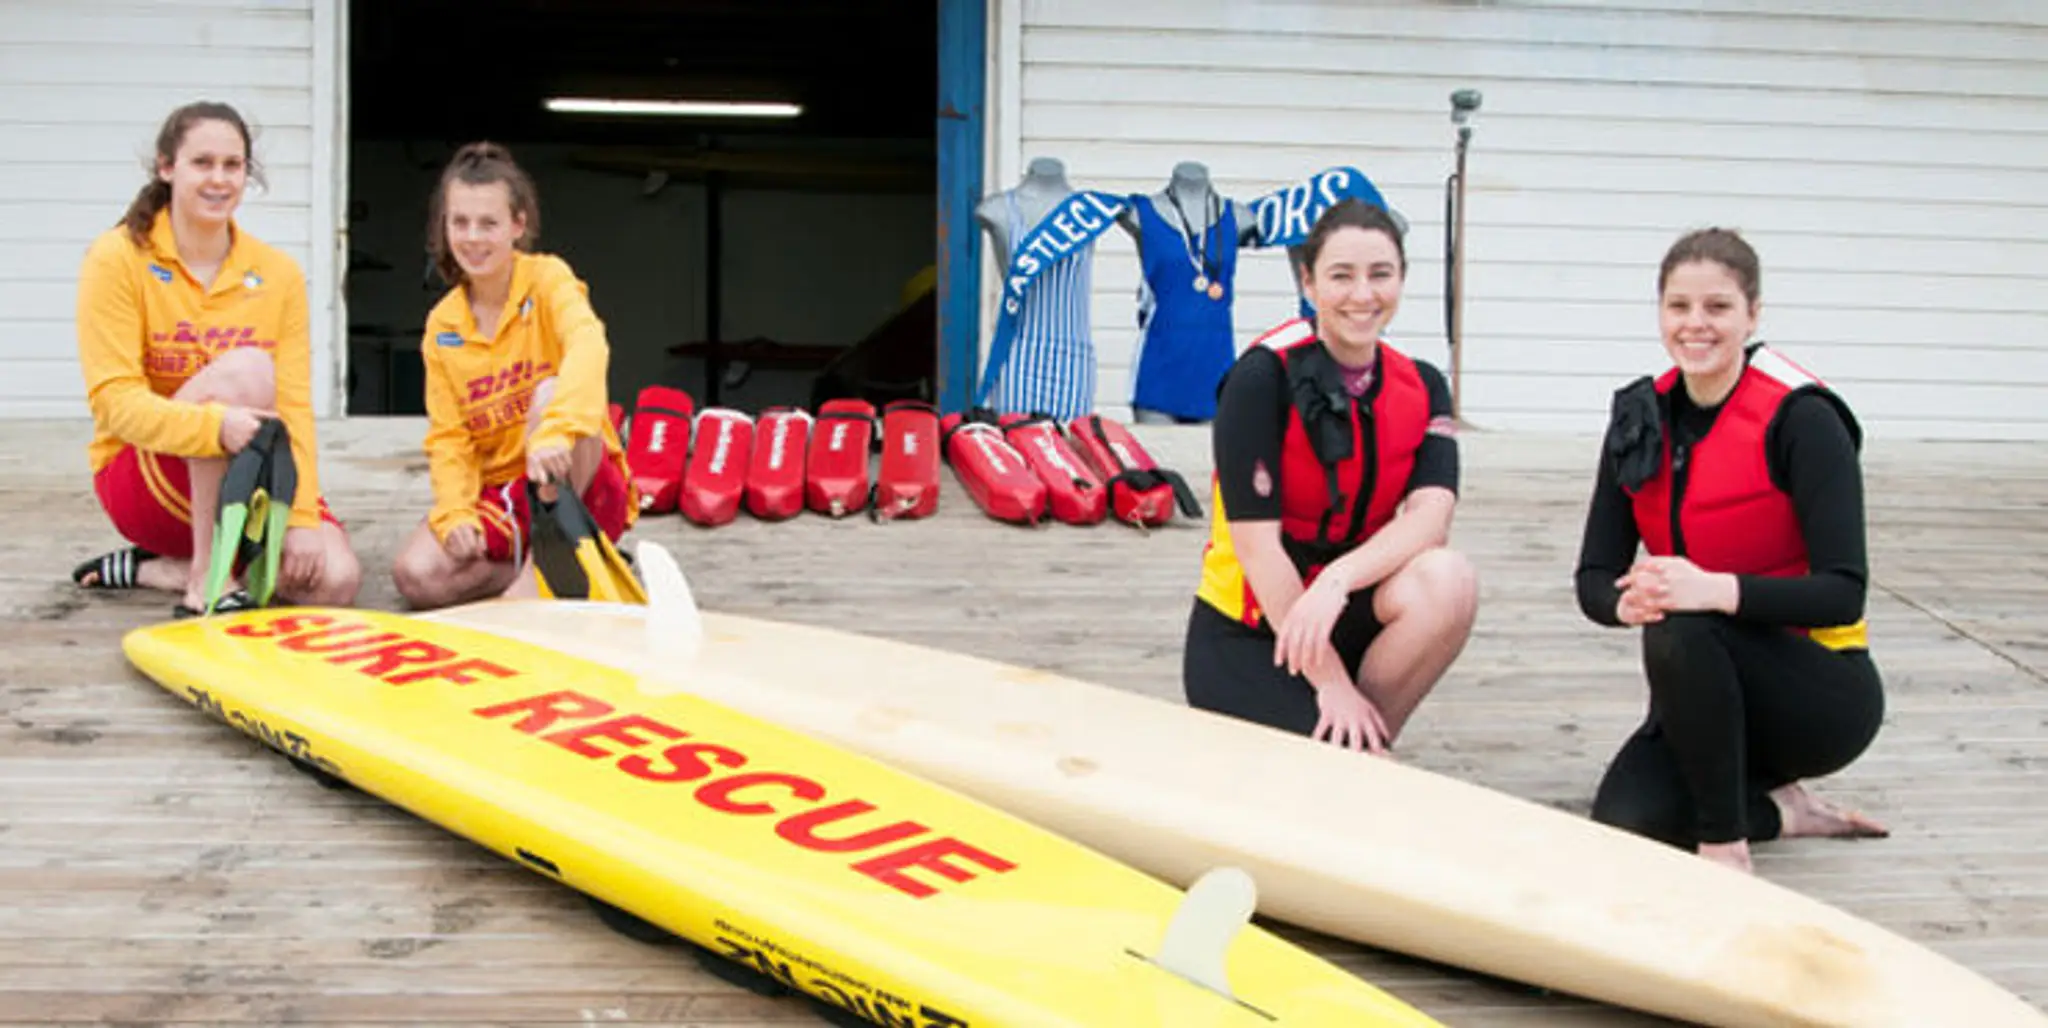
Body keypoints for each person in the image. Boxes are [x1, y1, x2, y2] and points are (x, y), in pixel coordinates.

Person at [1574, 227, 1888, 874]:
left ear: (1753, 314)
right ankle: (1785, 813)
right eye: (1679, 307)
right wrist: (1626, 602)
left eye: (1717, 307)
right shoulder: (1641, 418)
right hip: (1701, 697)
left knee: (1686, 623)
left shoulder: (1804, 420)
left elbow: (1842, 590)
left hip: (1817, 693)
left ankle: (1726, 848)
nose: (1696, 325)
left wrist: (1709, 589)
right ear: (1660, 312)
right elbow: (1593, 578)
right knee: (1626, 820)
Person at [1183, 199, 1478, 756]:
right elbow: (1256, 546)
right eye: (1341, 276)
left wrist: (1337, 581)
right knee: (1345, 753)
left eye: (1380, 275)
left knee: (1449, 580)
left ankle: (1352, 745)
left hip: (1340, 610)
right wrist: (1331, 684)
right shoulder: (1260, 377)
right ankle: (1344, 741)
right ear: (1309, 283)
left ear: (1402, 280)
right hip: (1252, 629)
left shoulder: (1424, 385)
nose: (1362, 295)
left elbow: (1431, 518)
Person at [70, 100, 361, 617]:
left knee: (333, 581)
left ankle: (157, 569)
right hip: (144, 480)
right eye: (202, 163)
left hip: (243, 466)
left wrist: (297, 517)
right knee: (246, 372)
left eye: (233, 165)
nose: (219, 179)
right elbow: (115, 405)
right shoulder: (117, 258)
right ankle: (207, 576)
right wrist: (212, 428)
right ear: (167, 168)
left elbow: (292, 406)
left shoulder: (277, 273)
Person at [389, 142, 637, 610]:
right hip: (504, 493)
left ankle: (541, 570)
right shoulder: (443, 325)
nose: (473, 238)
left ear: (517, 226)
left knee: (548, 394)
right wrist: (455, 512)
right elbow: (449, 438)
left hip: (575, 472)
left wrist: (558, 430)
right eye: (460, 222)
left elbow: (589, 344)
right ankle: (579, 560)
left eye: (489, 223)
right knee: (416, 576)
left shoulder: (547, 279)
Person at [1116, 161, 1258, 426]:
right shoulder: (1140, 213)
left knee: (1213, 465)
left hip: (1214, 365)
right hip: (1160, 364)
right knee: (1157, 464)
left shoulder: (1237, 216)